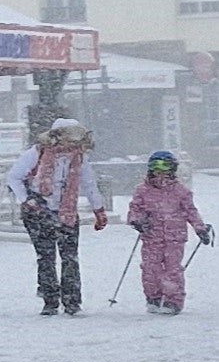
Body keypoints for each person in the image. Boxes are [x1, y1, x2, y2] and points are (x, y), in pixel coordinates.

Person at [11, 116, 109, 316]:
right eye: (70, 136)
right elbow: (13, 177)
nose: (73, 142)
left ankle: (72, 301)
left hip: (67, 213)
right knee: (46, 257)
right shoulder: (36, 154)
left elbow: (89, 184)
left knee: (70, 257)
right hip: (38, 212)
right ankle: (50, 300)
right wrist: (27, 200)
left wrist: (98, 210)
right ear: (57, 136)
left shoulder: (79, 158)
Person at [126, 151, 212, 314]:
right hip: (151, 236)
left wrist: (199, 228)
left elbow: (190, 211)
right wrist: (136, 220)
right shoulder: (143, 190)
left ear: (172, 169)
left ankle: (173, 300)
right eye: (156, 166)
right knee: (150, 268)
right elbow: (135, 208)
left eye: (165, 166)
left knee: (172, 270)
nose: (160, 171)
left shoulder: (181, 191)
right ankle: (153, 297)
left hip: (175, 238)